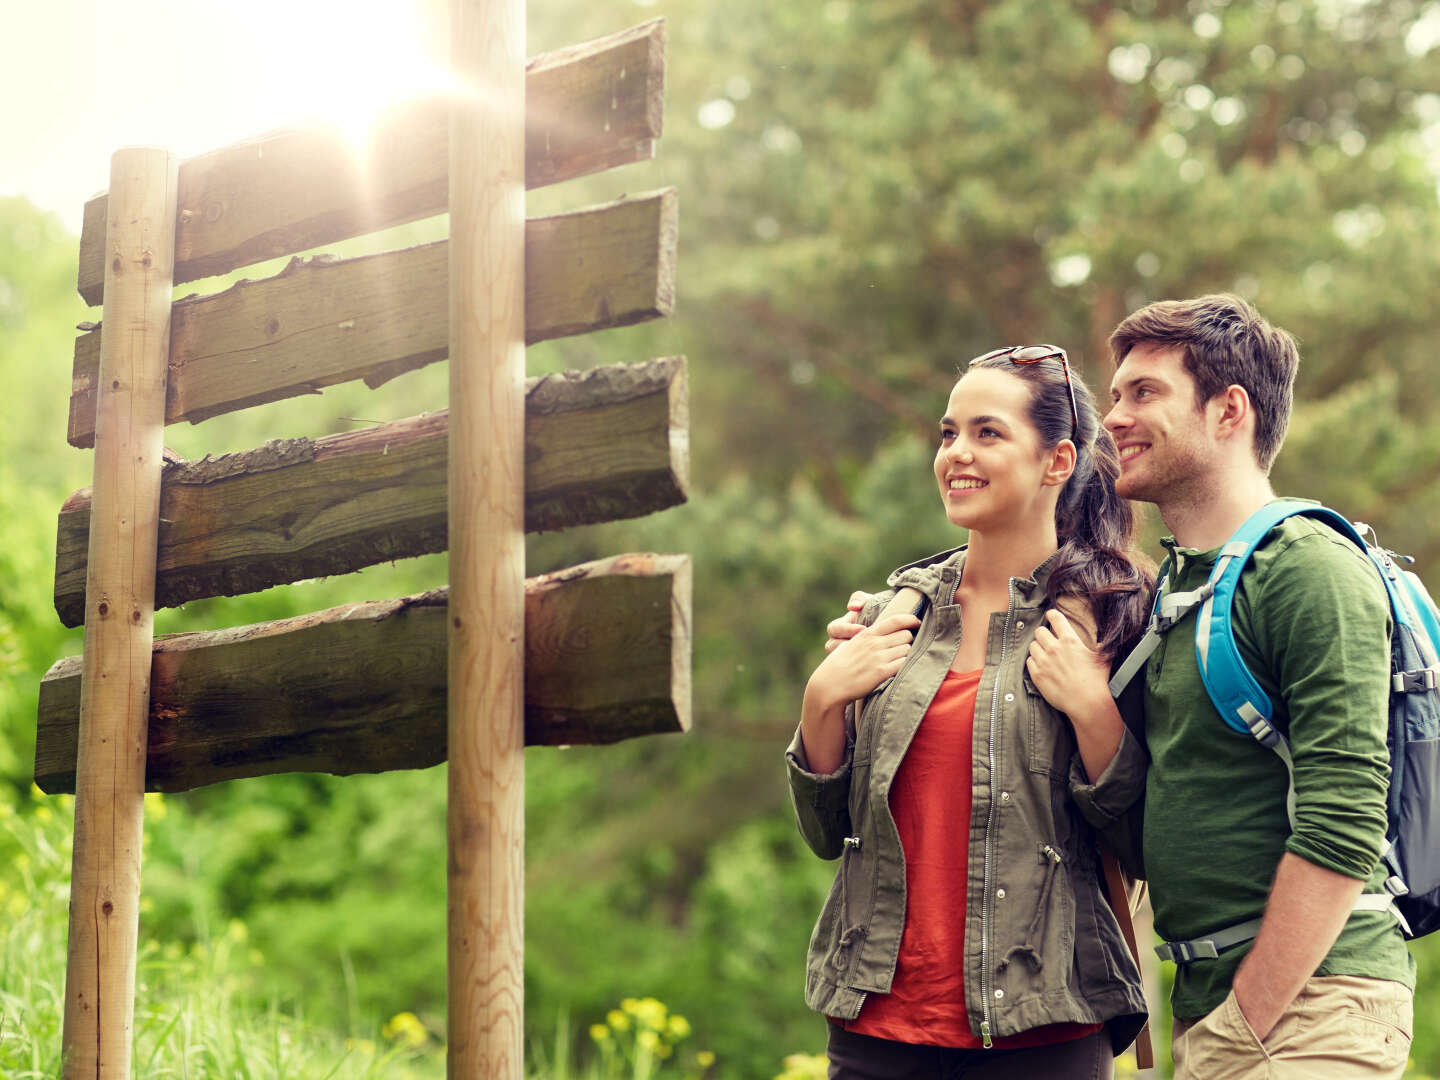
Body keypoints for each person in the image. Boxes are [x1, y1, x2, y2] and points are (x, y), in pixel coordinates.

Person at [787, 345, 1154, 1079]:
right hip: (875, 1031)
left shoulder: (1114, 619)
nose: (956, 452)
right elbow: (829, 833)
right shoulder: (896, 614)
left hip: (1043, 1032)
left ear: (1056, 462)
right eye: (948, 432)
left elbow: (1146, 846)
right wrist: (822, 699)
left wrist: (1094, 714)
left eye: (988, 433)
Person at [1096, 294, 1415, 1078]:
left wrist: (1249, 1017)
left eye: (1145, 393)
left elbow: (1344, 817)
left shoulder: (1307, 566)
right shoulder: (1178, 591)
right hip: (1221, 1008)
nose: (1114, 418)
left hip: (1311, 1010)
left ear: (1228, 410)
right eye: (1114, 396)